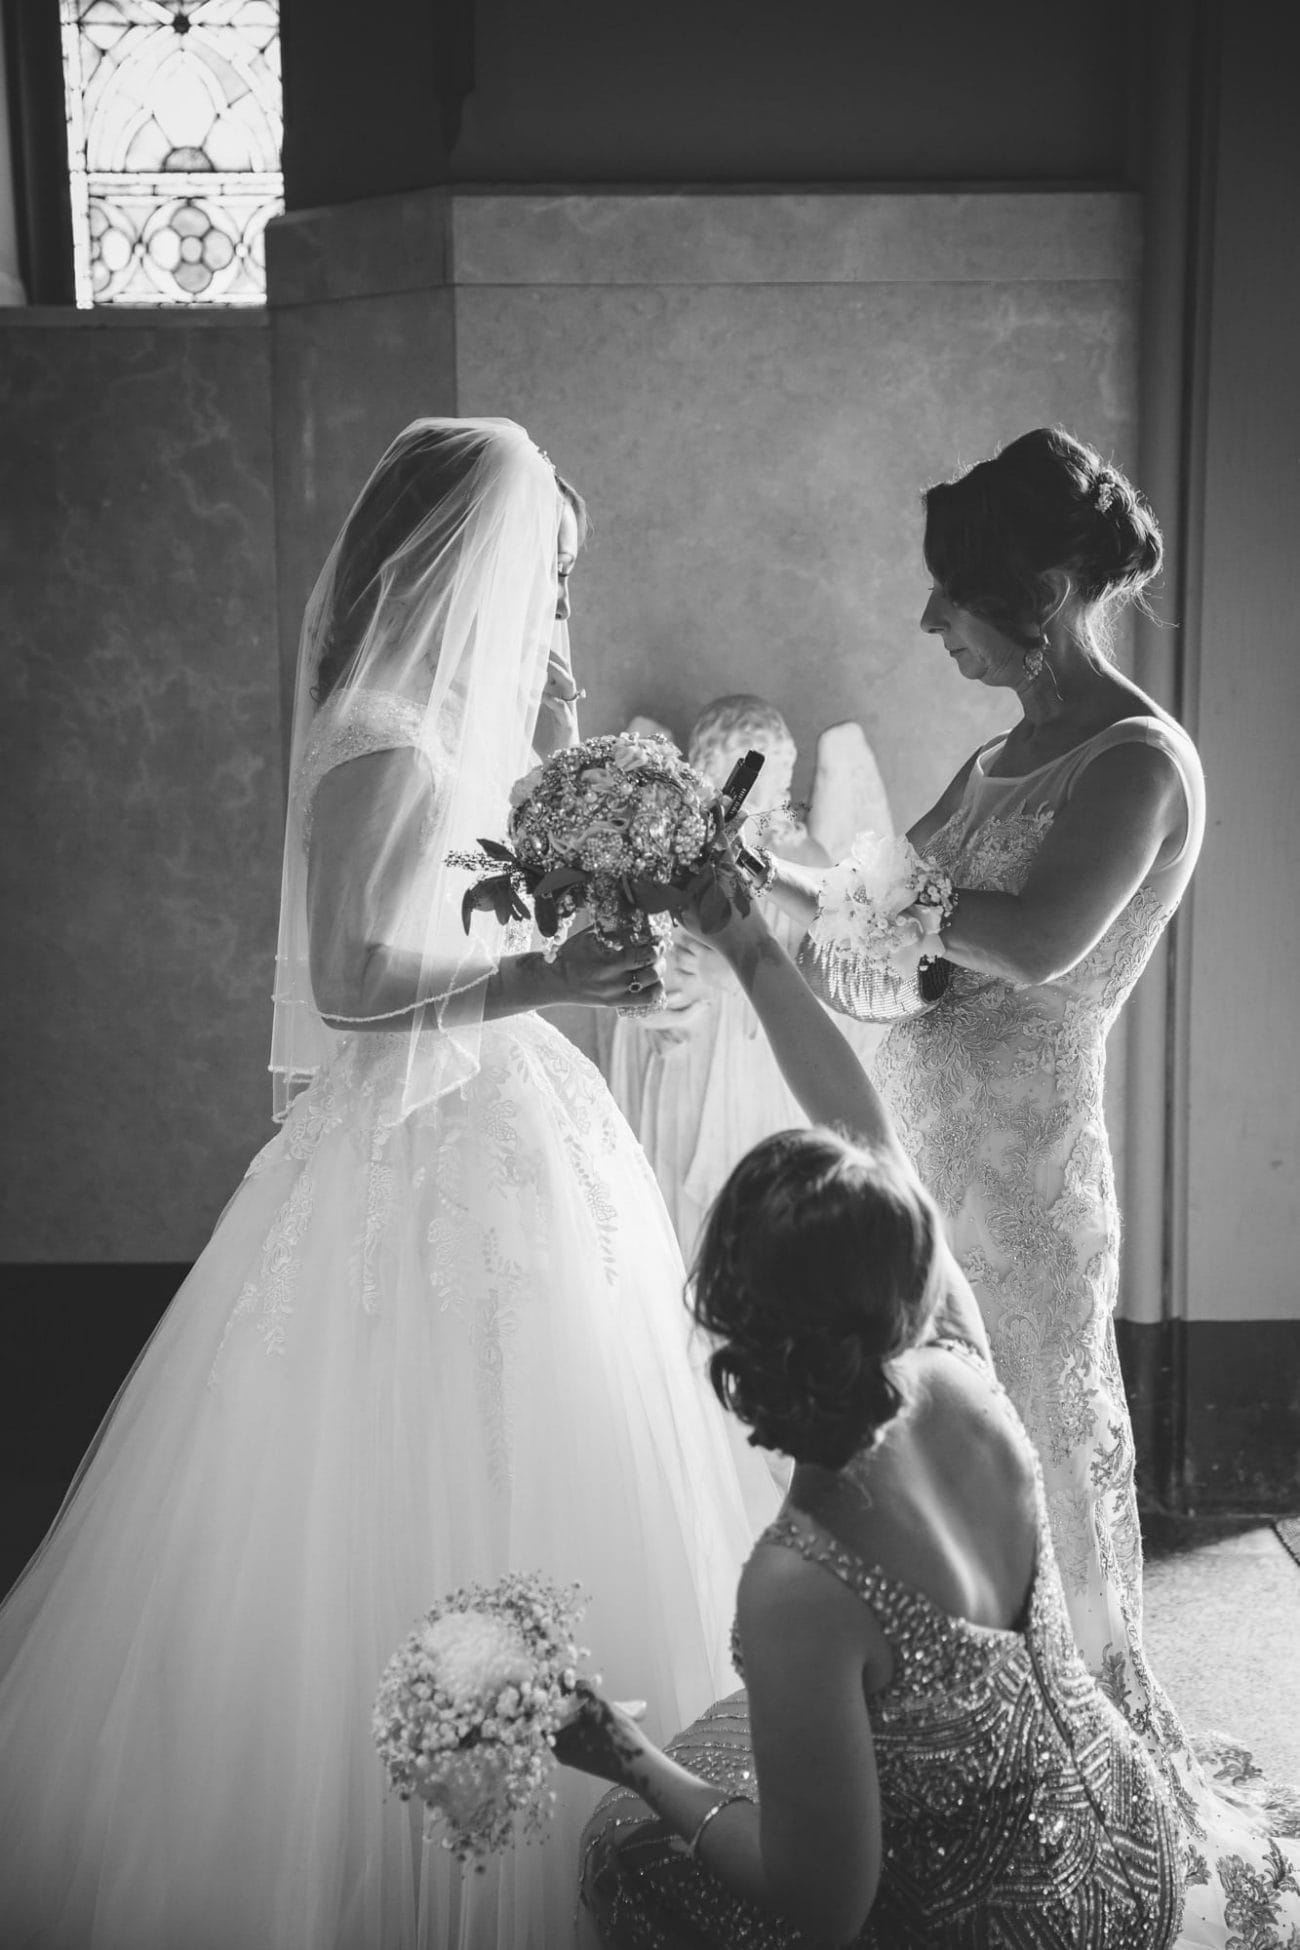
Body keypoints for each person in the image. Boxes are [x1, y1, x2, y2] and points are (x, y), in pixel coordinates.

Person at [0, 419, 777, 1950]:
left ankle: (605, 1789)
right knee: (380, 1477)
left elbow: (475, 917)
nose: (554, 606)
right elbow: (356, 981)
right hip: (410, 1156)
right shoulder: (377, 730)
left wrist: (578, 892)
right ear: (461, 565)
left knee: (560, 1434)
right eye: (543, 576)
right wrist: (545, 975)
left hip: (512, 1129)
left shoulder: (469, 725)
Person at [754, 426, 1300, 1939]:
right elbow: (892, 932)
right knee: (920, 1438)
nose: (930, 624)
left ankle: (1078, 1777)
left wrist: (853, 893)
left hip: (1029, 1173)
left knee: (1038, 1450)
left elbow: (1037, 936)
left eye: (953, 597)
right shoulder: (998, 751)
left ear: (1050, 590)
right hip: (918, 1145)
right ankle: (951, 1757)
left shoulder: (1137, 758)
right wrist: (759, 887)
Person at [560, 887, 1190, 1948]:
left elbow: (820, 1901)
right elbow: (864, 1135)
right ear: (907, 1263)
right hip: (1129, 1839)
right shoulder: (954, 1355)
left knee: (624, 1846)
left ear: (731, 1323)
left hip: (1017, 1925)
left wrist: (620, 1752)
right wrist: (744, 938)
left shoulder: (799, 1581)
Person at [600, 695, 881, 1262]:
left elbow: (835, 980)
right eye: (745, 776)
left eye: (775, 778)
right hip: (694, 1055)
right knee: (682, 1210)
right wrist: (671, 985)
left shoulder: (808, 860)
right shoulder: (672, 849)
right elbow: (632, 966)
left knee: (768, 1210)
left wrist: (728, 974)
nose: (761, 798)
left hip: (768, 1054)